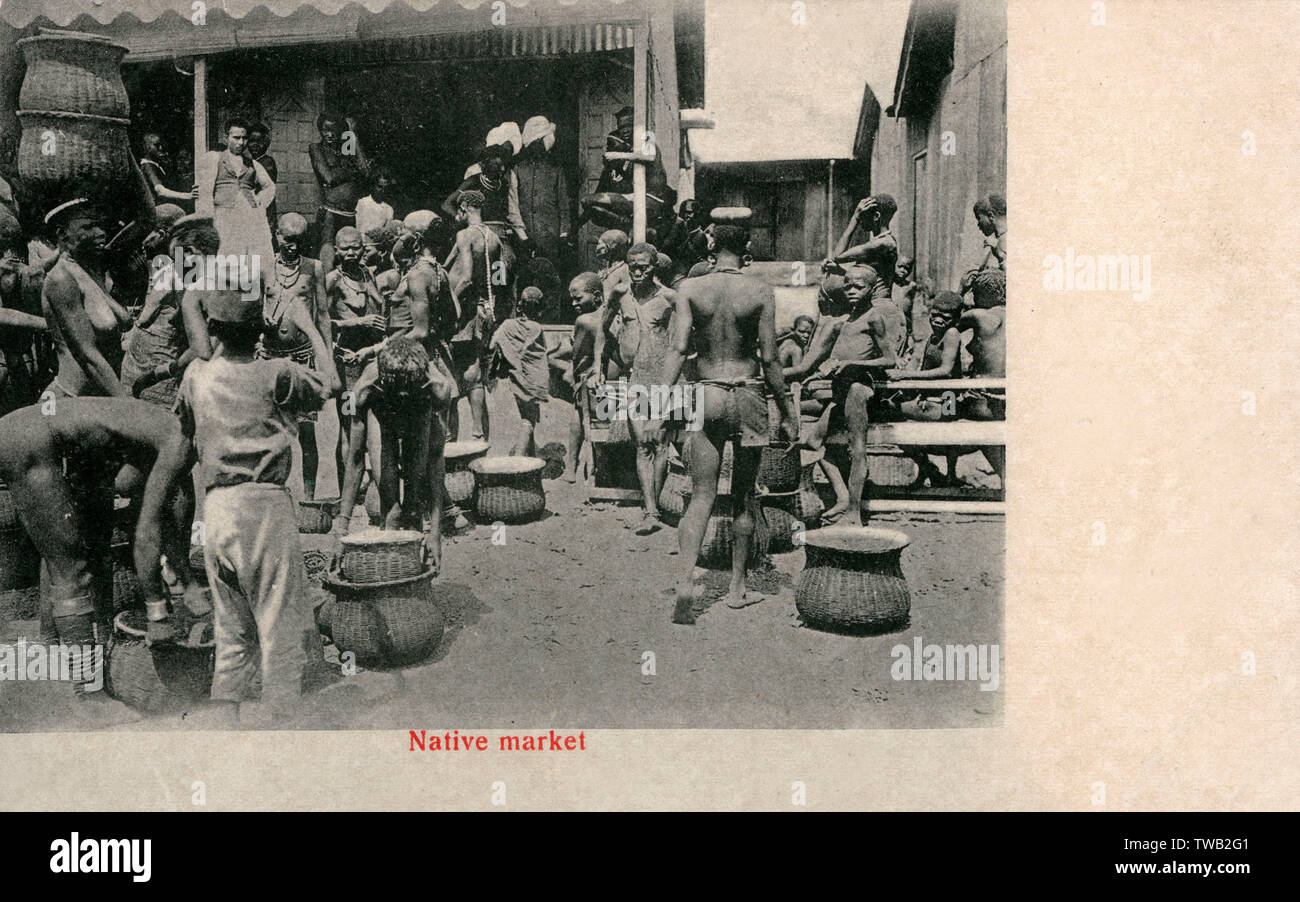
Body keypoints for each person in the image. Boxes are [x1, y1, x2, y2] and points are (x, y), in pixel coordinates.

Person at [176, 289, 337, 724]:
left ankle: (224, 741)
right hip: (265, 506)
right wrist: (314, 329)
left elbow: (185, 425)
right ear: (260, 330)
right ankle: (279, 750)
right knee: (280, 634)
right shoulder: (277, 373)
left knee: (232, 637)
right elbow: (332, 386)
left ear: (213, 328)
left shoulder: (196, 374)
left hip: (218, 508)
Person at [0, 398, 206, 692]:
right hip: (28, 440)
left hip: (40, 432)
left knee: (91, 550)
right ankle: (87, 691)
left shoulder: (164, 431)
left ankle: (73, 657)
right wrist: (157, 611)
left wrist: (187, 581)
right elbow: (149, 530)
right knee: (71, 570)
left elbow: (154, 513)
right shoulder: (180, 444)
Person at [659, 210, 797, 623]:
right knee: (744, 497)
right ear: (748, 250)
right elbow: (770, 358)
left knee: (700, 496)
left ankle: (686, 581)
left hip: (707, 394)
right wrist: (787, 409)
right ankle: (737, 589)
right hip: (748, 394)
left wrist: (655, 404)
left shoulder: (690, 288)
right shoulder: (760, 291)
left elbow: (679, 349)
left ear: (711, 247)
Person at [790, 263, 905, 526]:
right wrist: (820, 372)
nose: (852, 291)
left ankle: (855, 511)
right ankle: (843, 498)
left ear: (871, 289)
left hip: (859, 390)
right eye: (848, 286)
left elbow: (889, 360)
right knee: (813, 443)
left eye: (859, 286)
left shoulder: (874, 318)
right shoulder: (843, 323)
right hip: (840, 392)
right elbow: (824, 362)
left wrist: (853, 365)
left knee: (857, 450)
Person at [334, 337, 453, 572]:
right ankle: (391, 574)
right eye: (397, 394)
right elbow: (356, 458)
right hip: (381, 416)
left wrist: (436, 532)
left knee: (413, 504)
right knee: (391, 509)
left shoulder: (439, 388)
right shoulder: (362, 389)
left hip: (419, 415)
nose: (402, 400)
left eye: (406, 395)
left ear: (422, 382)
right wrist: (341, 529)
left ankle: (412, 576)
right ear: (382, 382)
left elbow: (436, 459)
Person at [262, 212, 332, 500]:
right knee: (270, 428)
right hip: (270, 357)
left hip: (302, 356)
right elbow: (250, 306)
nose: (293, 246)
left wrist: (327, 358)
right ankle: (273, 490)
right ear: (277, 235)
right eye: (288, 240)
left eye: (299, 241)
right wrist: (261, 319)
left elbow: (324, 315)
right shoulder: (264, 267)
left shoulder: (313, 267)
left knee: (306, 430)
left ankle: (310, 497)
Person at [121, 211, 218, 407]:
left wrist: (163, 371)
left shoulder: (198, 285)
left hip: (169, 368)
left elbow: (203, 349)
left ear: (190, 252)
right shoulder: (221, 276)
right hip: (158, 365)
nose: (176, 265)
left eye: (177, 258)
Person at [40, 199, 133, 399]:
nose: (101, 232)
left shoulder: (90, 270)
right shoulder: (61, 279)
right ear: (63, 235)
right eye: (88, 227)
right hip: (72, 399)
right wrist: (127, 406)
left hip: (103, 395)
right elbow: (87, 356)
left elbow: (147, 220)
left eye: (99, 225)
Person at [620, 242, 676, 534]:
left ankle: (653, 509)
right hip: (636, 380)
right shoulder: (621, 295)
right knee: (642, 442)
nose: (637, 272)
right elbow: (601, 330)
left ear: (654, 267)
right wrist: (597, 366)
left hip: (664, 380)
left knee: (660, 442)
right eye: (632, 266)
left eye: (643, 266)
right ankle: (651, 510)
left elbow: (685, 341)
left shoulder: (670, 299)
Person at [444, 189, 509, 442]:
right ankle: (477, 433)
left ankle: (451, 436)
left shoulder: (465, 235)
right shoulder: (495, 238)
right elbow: (499, 280)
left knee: (451, 369)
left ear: (466, 208)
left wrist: (449, 304)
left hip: (464, 312)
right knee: (475, 371)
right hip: (484, 310)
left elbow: (466, 278)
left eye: (458, 209)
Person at [885, 290, 966, 487]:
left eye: (945, 318)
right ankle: (927, 470)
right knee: (896, 423)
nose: (938, 320)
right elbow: (925, 367)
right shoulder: (932, 336)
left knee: (949, 432)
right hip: (930, 394)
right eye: (934, 315)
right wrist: (918, 389)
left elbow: (946, 370)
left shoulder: (952, 334)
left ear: (955, 320)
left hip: (949, 396)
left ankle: (950, 475)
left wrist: (906, 375)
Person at [328, 225, 387, 492]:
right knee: (349, 422)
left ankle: (372, 483)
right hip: (348, 362)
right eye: (345, 248)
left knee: (373, 418)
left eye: (355, 247)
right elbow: (322, 321)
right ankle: (347, 488)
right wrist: (357, 322)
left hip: (371, 358)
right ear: (336, 250)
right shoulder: (331, 280)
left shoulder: (368, 275)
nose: (351, 252)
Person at [196, 118, 276, 278]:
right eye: (236, 138)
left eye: (244, 138)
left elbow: (270, 186)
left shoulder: (252, 164)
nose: (241, 142)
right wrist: (206, 218)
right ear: (226, 138)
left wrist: (259, 201)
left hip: (249, 217)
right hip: (224, 216)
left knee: (250, 260)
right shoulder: (215, 158)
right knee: (224, 260)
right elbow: (205, 191)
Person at [488, 286, 550, 457]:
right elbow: (540, 354)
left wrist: (506, 353)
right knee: (528, 421)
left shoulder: (507, 325)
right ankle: (519, 460)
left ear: (519, 307)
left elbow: (493, 344)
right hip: (533, 380)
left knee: (527, 417)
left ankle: (529, 458)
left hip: (516, 378)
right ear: (540, 310)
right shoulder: (537, 328)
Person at [0, 212, 48, 415]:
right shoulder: (29, 271)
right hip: (23, 353)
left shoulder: (22, 270)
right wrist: (49, 324)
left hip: (16, 354)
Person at [309, 113, 369, 273]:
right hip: (330, 213)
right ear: (319, 130)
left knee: (350, 260)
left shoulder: (344, 148)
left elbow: (364, 170)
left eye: (333, 130)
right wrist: (351, 171)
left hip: (349, 214)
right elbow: (328, 178)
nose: (329, 134)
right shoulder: (316, 148)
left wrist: (352, 135)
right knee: (327, 262)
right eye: (325, 130)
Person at [514, 116, 572, 271]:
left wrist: (563, 234)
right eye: (534, 143)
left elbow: (564, 204)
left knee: (549, 273)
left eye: (541, 143)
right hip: (524, 234)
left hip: (549, 236)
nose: (537, 147)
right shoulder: (519, 169)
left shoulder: (555, 169)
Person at [563, 272, 602, 483]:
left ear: (597, 296)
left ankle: (571, 466)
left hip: (590, 382)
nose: (573, 303)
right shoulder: (612, 315)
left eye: (578, 299)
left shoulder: (584, 321)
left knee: (577, 409)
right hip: (612, 382)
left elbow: (577, 357)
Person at [830, 195, 899, 305]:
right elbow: (868, 277)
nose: (861, 220)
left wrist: (855, 218)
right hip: (871, 304)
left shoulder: (882, 243)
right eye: (859, 216)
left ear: (876, 216)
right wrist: (838, 270)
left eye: (862, 215)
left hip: (878, 306)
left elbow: (837, 256)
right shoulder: (882, 241)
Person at [139, 132, 194, 208]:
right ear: (145, 147)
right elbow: (160, 191)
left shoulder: (156, 165)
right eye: (156, 145)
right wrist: (188, 196)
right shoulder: (148, 166)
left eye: (160, 145)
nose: (160, 148)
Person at [247, 122, 278, 229]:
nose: (255, 145)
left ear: (267, 143)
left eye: (260, 141)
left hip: (264, 208)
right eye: (252, 141)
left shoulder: (267, 162)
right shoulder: (250, 161)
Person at [355, 166, 396, 237]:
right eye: (379, 187)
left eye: (385, 188)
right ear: (372, 186)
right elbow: (358, 227)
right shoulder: (362, 203)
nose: (382, 191)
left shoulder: (389, 209)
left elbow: (386, 232)